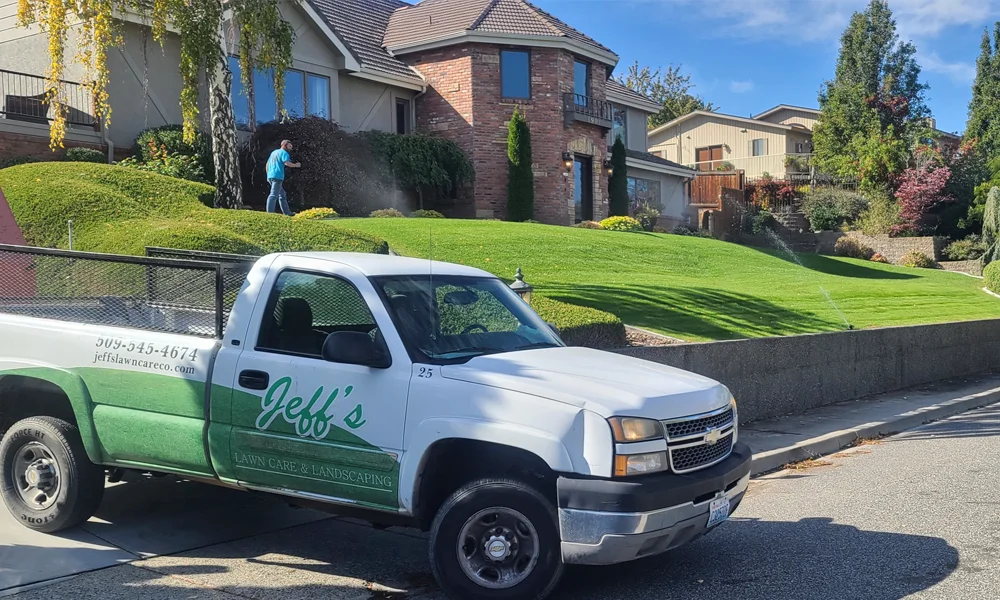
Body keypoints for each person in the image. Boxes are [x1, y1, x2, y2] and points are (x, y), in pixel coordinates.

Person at [265, 140, 301, 216]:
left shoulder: (274, 152)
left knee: (282, 194)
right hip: (277, 176)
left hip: (271, 175)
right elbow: (287, 163)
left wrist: (268, 175)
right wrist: (296, 165)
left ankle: (287, 213)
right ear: (284, 145)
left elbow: (267, 164)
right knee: (273, 195)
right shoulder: (284, 153)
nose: (290, 148)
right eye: (289, 146)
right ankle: (269, 213)